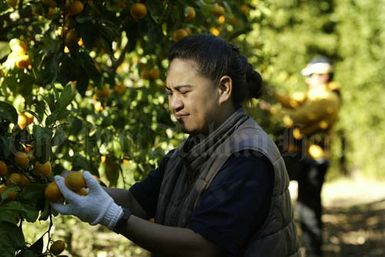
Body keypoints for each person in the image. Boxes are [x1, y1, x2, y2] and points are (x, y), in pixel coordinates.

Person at [51, 34, 300, 257]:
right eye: (170, 92)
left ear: (223, 88)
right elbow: (137, 201)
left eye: (184, 91)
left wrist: (111, 216)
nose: (174, 104)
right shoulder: (191, 149)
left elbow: (202, 246)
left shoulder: (248, 157)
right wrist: (76, 187)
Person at [263, 56, 341, 257]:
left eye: (311, 76)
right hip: (308, 158)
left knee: (309, 210)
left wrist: (270, 110)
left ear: (323, 76)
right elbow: (293, 101)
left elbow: (296, 117)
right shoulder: (314, 95)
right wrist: (268, 91)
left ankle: (314, 252)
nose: (307, 80)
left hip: (315, 160)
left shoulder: (327, 99)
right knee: (305, 207)